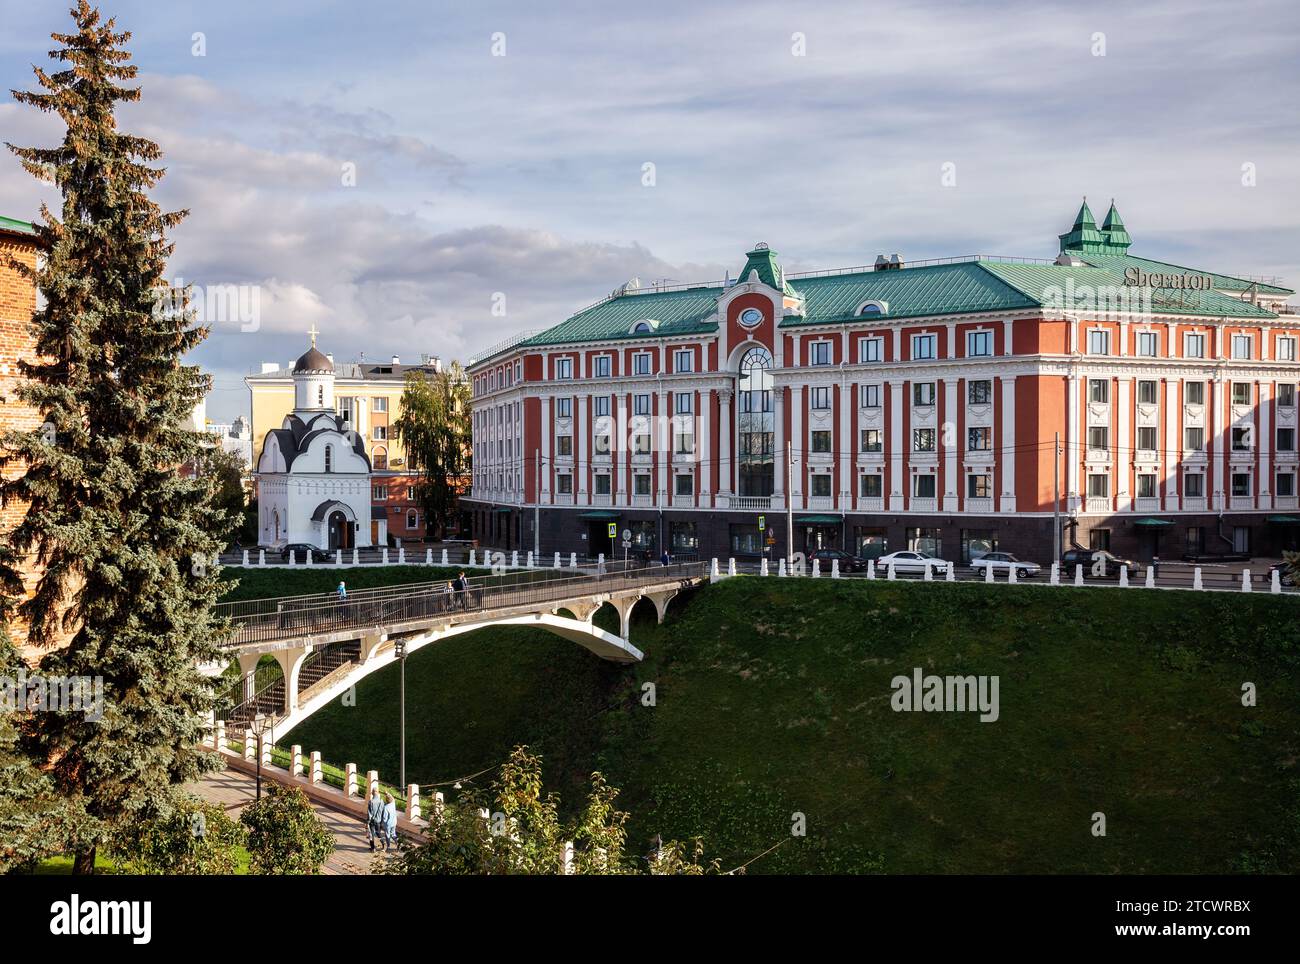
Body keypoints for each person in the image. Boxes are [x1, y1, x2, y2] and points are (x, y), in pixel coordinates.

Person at [366, 788, 385, 852]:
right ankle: (383, 845)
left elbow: (369, 814)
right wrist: (382, 821)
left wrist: (367, 822)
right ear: (378, 792)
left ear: (372, 793)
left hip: (372, 821)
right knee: (379, 833)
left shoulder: (371, 802)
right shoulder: (381, 801)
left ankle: (373, 848)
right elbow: (383, 812)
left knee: (371, 834)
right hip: (379, 821)